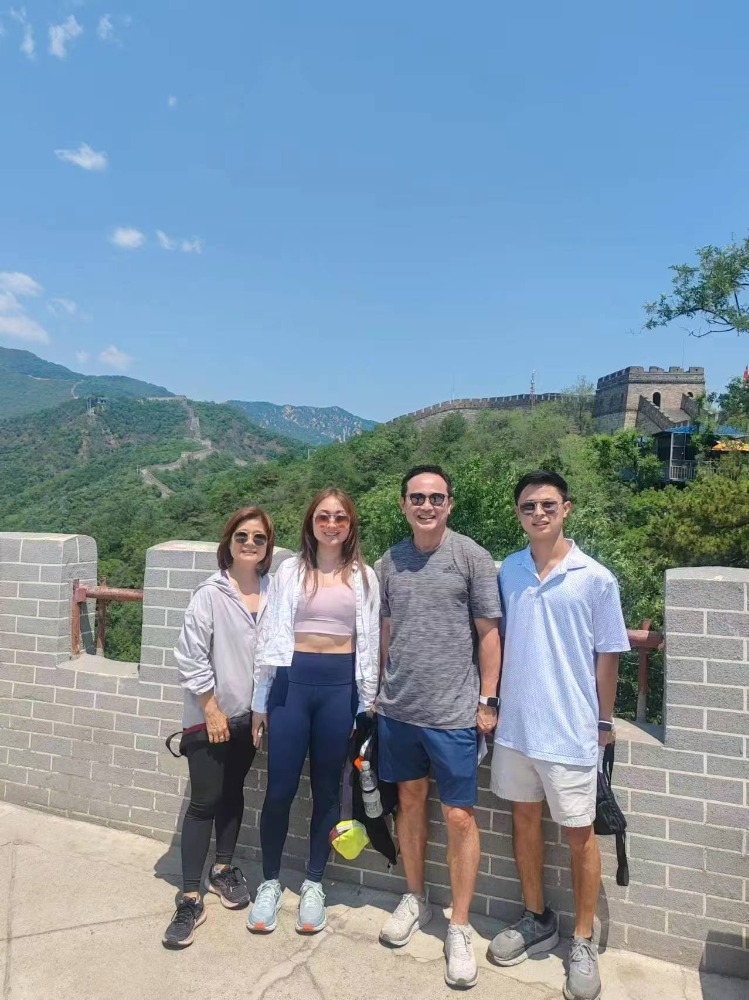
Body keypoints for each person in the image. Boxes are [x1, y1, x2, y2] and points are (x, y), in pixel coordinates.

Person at [488, 470, 630, 1000]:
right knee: (523, 820)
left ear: (566, 508)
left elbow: (609, 655)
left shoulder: (595, 577)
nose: (539, 514)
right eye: (529, 506)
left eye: (548, 505)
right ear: (519, 513)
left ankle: (583, 938)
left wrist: (603, 722)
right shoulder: (509, 570)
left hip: (572, 731)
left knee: (579, 835)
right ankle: (536, 916)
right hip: (516, 728)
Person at [376, 465, 501, 990]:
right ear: (403, 504)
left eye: (436, 497)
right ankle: (415, 898)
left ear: (450, 504)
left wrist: (487, 700)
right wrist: (382, 690)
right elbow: (384, 631)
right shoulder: (389, 561)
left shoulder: (471, 557)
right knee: (408, 802)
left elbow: (490, 634)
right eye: (417, 498)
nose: (426, 505)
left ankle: (460, 924)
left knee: (458, 816)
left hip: (454, 713)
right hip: (399, 709)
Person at [248, 488, 380, 935]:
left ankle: (314, 883)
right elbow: (269, 636)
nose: (331, 524)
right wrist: (259, 702)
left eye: (340, 517)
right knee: (280, 789)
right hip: (291, 685)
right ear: (311, 523)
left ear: (350, 525)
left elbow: (371, 642)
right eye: (323, 516)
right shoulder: (290, 571)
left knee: (327, 790)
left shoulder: (365, 576)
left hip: (340, 688)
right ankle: (269, 882)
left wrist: (368, 702)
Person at [163, 506, 275, 948]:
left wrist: (261, 710)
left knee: (233, 792)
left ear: (268, 547)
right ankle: (190, 896)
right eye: (242, 536)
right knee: (204, 801)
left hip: (250, 717)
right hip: (210, 717)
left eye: (259, 538)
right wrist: (210, 709)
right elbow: (190, 655)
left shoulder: (271, 592)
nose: (250, 544)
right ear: (227, 542)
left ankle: (222, 869)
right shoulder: (209, 593)